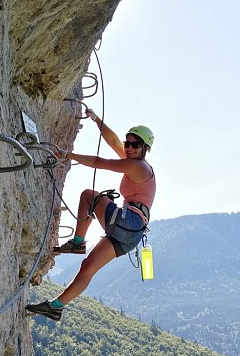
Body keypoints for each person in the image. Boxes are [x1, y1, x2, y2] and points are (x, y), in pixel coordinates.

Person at [26, 109, 156, 321]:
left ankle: (78, 242)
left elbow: (98, 162)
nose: (129, 148)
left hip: (128, 222)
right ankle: (56, 307)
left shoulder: (136, 166)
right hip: (132, 234)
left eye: (135, 145)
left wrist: (68, 155)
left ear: (144, 148)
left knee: (88, 196)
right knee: (88, 266)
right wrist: (96, 120)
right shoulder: (135, 162)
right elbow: (113, 140)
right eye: (128, 143)